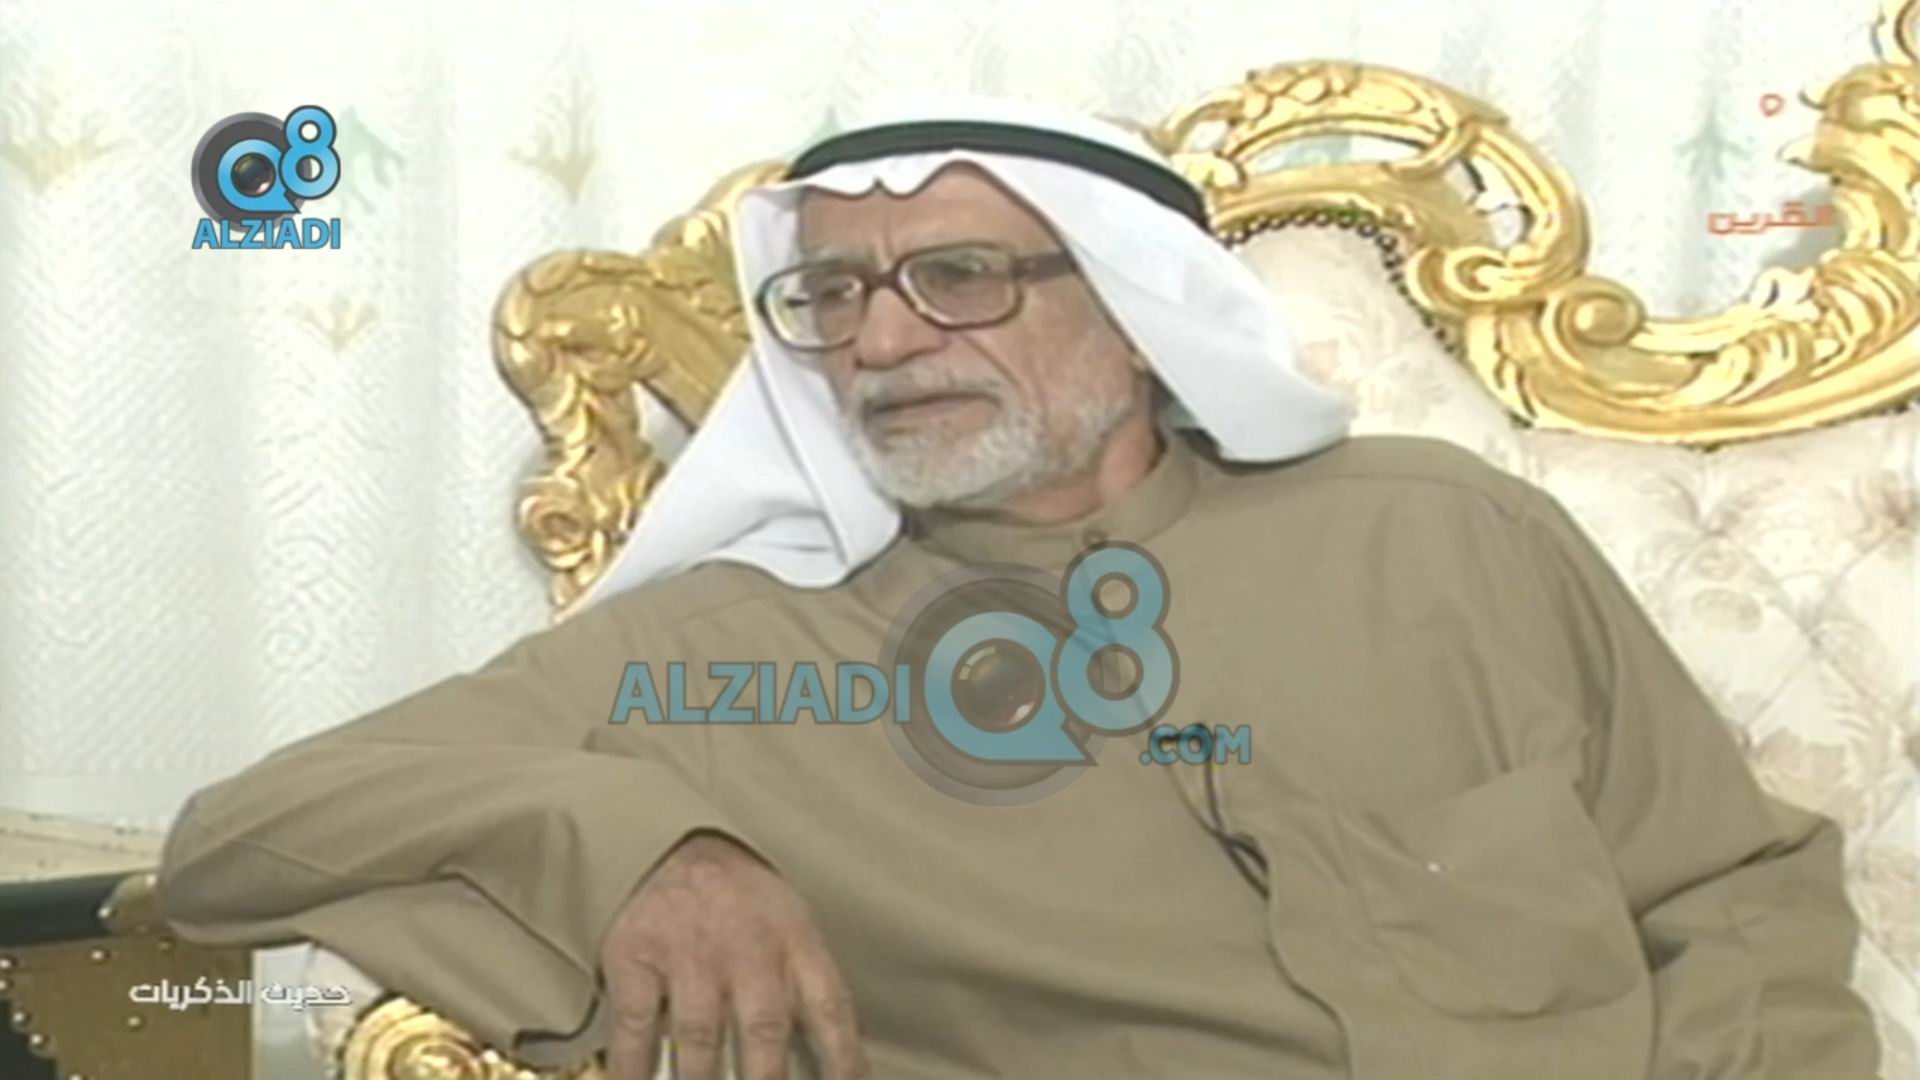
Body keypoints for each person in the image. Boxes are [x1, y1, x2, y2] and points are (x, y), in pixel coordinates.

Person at [156, 98, 1882, 1080]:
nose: (884, 339)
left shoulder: (1446, 536)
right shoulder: (724, 646)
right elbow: (238, 837)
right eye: (834, 297)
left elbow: (1732, 897)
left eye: (960, 276)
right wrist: (642, 848)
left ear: (1136, 309)